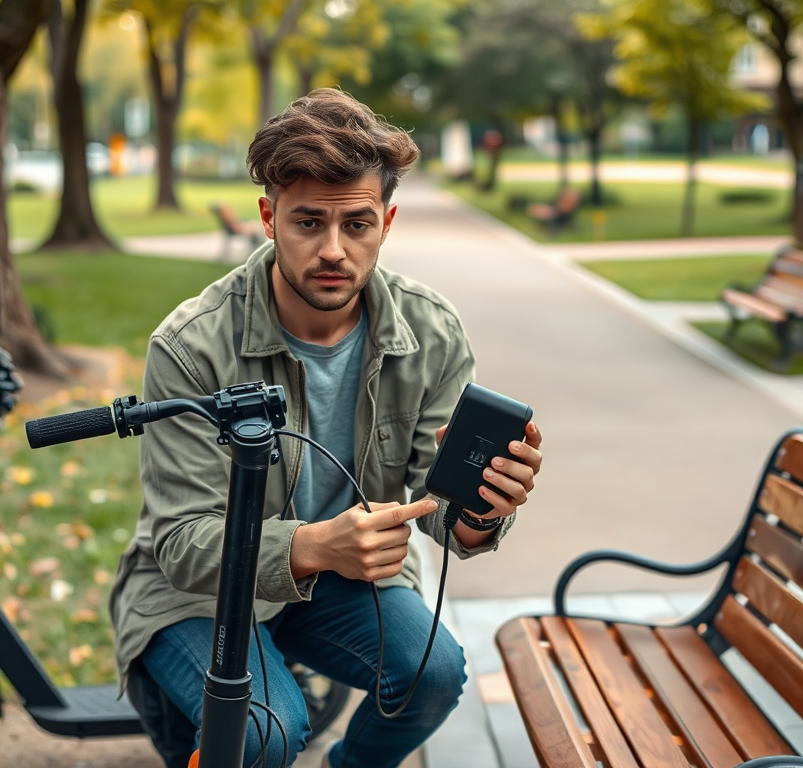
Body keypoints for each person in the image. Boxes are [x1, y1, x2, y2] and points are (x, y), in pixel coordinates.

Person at [110, 88, 543, 768]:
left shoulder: (431, 330)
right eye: (309, 223)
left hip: (346, 575)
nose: (334, 250)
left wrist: (483, 512)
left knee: (432, 675)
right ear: (268, 216)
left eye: (358, 225)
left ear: (388, 221)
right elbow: (183, 543)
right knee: (263, 733)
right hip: (198, 593)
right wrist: (314, 544)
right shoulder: (192, 344)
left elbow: (445, 512)